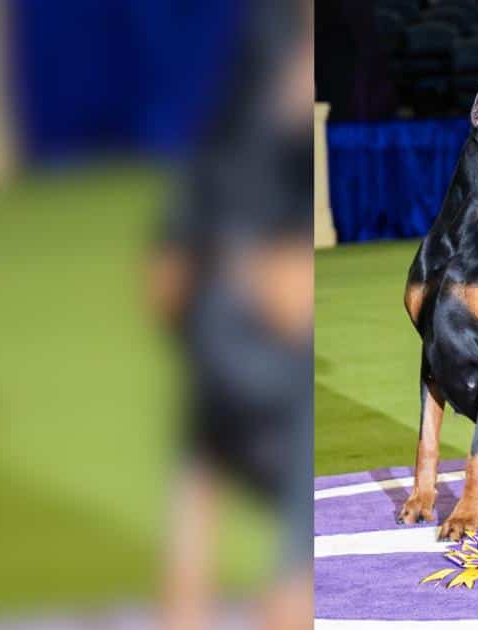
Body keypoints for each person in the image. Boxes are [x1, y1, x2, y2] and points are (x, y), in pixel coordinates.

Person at [149, 1, 313, 627]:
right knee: (211, 398)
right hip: (234, 271)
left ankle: (292, 583)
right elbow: (220, 157)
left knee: (292, 384)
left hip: (268, 289)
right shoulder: (260, 44)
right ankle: (191, 584)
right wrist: (182, 240)